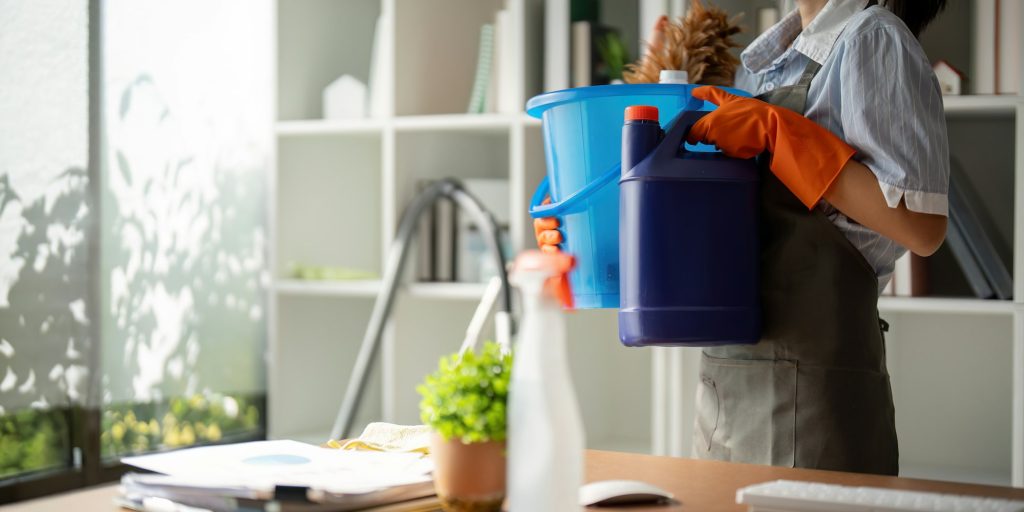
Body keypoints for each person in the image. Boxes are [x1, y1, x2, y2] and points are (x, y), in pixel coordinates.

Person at [534, 0, 949, 475]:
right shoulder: (765, 64)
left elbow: (922, 226)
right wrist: (593, 235)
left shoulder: (873, 39)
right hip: (724, 387)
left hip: (813, 397)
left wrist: (780, 135)